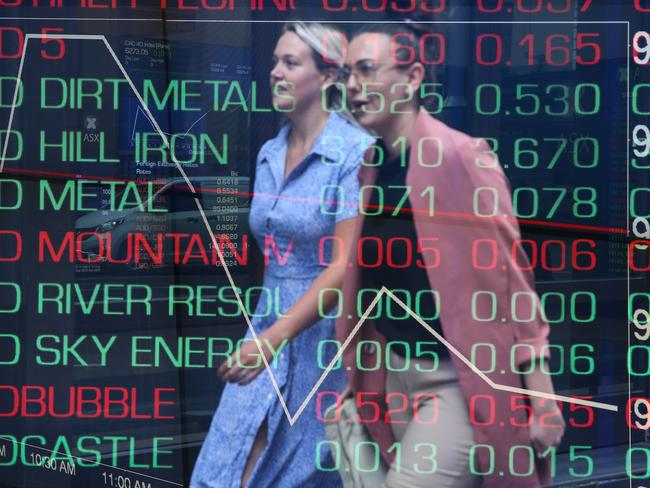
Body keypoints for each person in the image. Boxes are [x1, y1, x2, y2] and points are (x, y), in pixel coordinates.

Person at [335, 24, 566, 488]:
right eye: (346, 74)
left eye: (365, 70)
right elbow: (374, 288)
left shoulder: (463, 156)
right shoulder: (372, 168)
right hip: (392, 379)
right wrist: (360, 381)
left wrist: (542, 400)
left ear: (413, 77)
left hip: (455, 384)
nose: (353, 87)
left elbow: (513, 284)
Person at [190, 22, 373, 488]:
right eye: (274, 61)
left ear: (328, 77)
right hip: (266, 331)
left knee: (292, 474)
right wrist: (266, 338)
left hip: (325, 345)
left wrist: (275, 338)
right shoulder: (270, 153)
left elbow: (344, 266)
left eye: (290, 63)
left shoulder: (356, 154)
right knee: (222, 468)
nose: (275, 72)